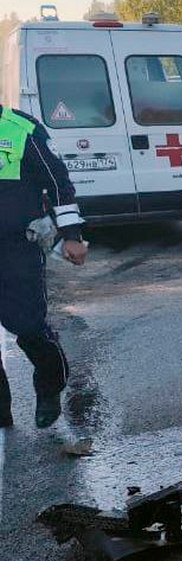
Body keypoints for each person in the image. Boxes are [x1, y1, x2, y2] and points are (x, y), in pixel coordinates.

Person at [0, 104, 88, 428]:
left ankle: (50, 385)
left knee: (28, 325)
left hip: (16, 247)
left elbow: (58, 183)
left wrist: (72, 236)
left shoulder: (20, 129)